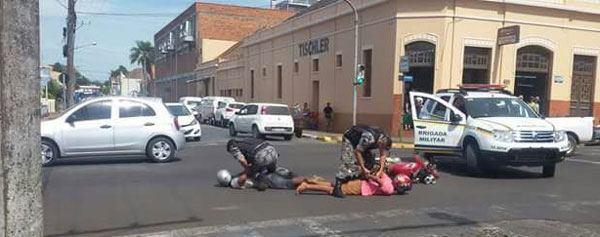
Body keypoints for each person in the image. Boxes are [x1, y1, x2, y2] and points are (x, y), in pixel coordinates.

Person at [333, 125, 392, 198]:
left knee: (371, 163)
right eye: (381, 147)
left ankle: (357, 177)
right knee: (348, 164)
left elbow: (382, 155)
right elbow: (357, 152)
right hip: (350, 139)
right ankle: (337, 187)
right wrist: (363, 168)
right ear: (380, 143)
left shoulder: (384, 138)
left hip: (363, 144)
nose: (381, 149)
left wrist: (380, 170)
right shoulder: (369, 138)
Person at [296, 172, 399, 197]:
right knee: (333, 190)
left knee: (334, 185)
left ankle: (311, 181)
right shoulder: (390, 189)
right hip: (360, 187)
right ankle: (307, 186)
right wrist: (372, 177)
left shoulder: (388, 179)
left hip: (360, 182)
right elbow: (379, 180)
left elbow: (380, 175)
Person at [217, 167, 314, 190]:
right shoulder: (233, 183)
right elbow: (241, 179)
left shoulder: (233, 180)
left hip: (264, 176)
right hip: (265, 174)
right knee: (288, 177)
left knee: (287, 182)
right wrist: (249, 170)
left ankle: (311, 181)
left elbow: (243, 178)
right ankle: (311, 181)